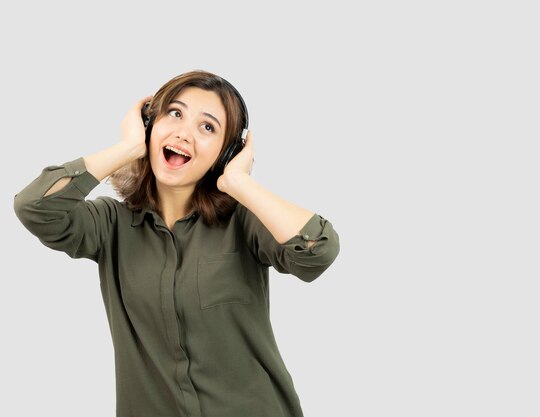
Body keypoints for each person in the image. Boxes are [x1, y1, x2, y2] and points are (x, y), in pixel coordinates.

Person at [14, 69, 340, 417]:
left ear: (225, 153)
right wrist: (128, 149)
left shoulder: (243, 223)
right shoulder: (111, 224)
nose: (184, 133)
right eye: (175, 113)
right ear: (150, 124)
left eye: (208, 127)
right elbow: (34, 207)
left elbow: (317, 250)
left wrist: (239, 183)